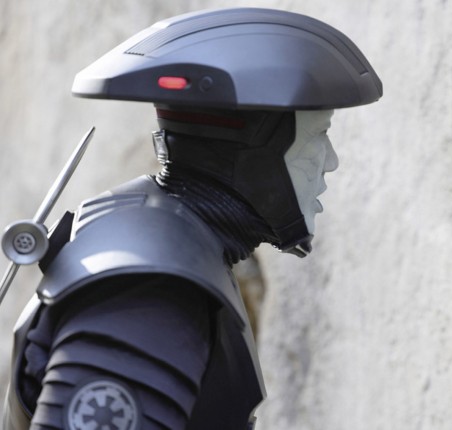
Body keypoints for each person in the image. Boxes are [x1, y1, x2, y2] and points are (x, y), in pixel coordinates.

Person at [2, 7, 382, 430]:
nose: (330, 161)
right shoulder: (150, 291)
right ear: (256, 156)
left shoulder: (156, 239)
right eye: (318, 136)